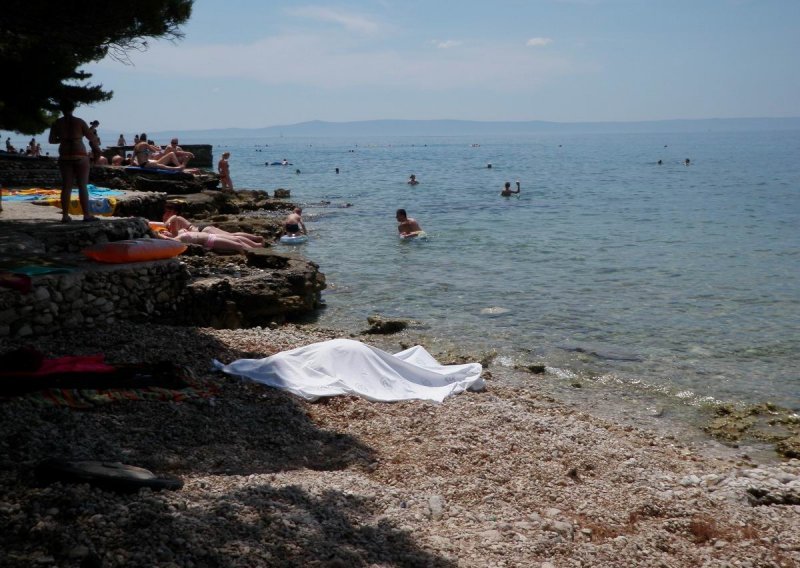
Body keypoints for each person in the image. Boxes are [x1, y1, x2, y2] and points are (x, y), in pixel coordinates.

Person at [48, 100, 101, 222]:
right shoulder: (79, 121)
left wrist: (63, 139)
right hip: (80, 155)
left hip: (65, 156)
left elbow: (51, 140)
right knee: (82, 185)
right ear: (73, 109)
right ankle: (86, 215)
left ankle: (65, 216)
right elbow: (92, 138)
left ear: (62, 110)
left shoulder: (57, 123)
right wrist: (79, 138)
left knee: (66, 186)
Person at [161, 204, 264, 246]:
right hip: (202, 231)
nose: (167, 214)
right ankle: (255, 240)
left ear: (174, 212)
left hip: (202, 231)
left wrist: (167, 225)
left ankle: (256, 241)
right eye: (166, 211)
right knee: (232, 235)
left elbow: (176, 230)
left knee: (232, 236)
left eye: (169, 211)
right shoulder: (170, 220)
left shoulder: (177, 218)